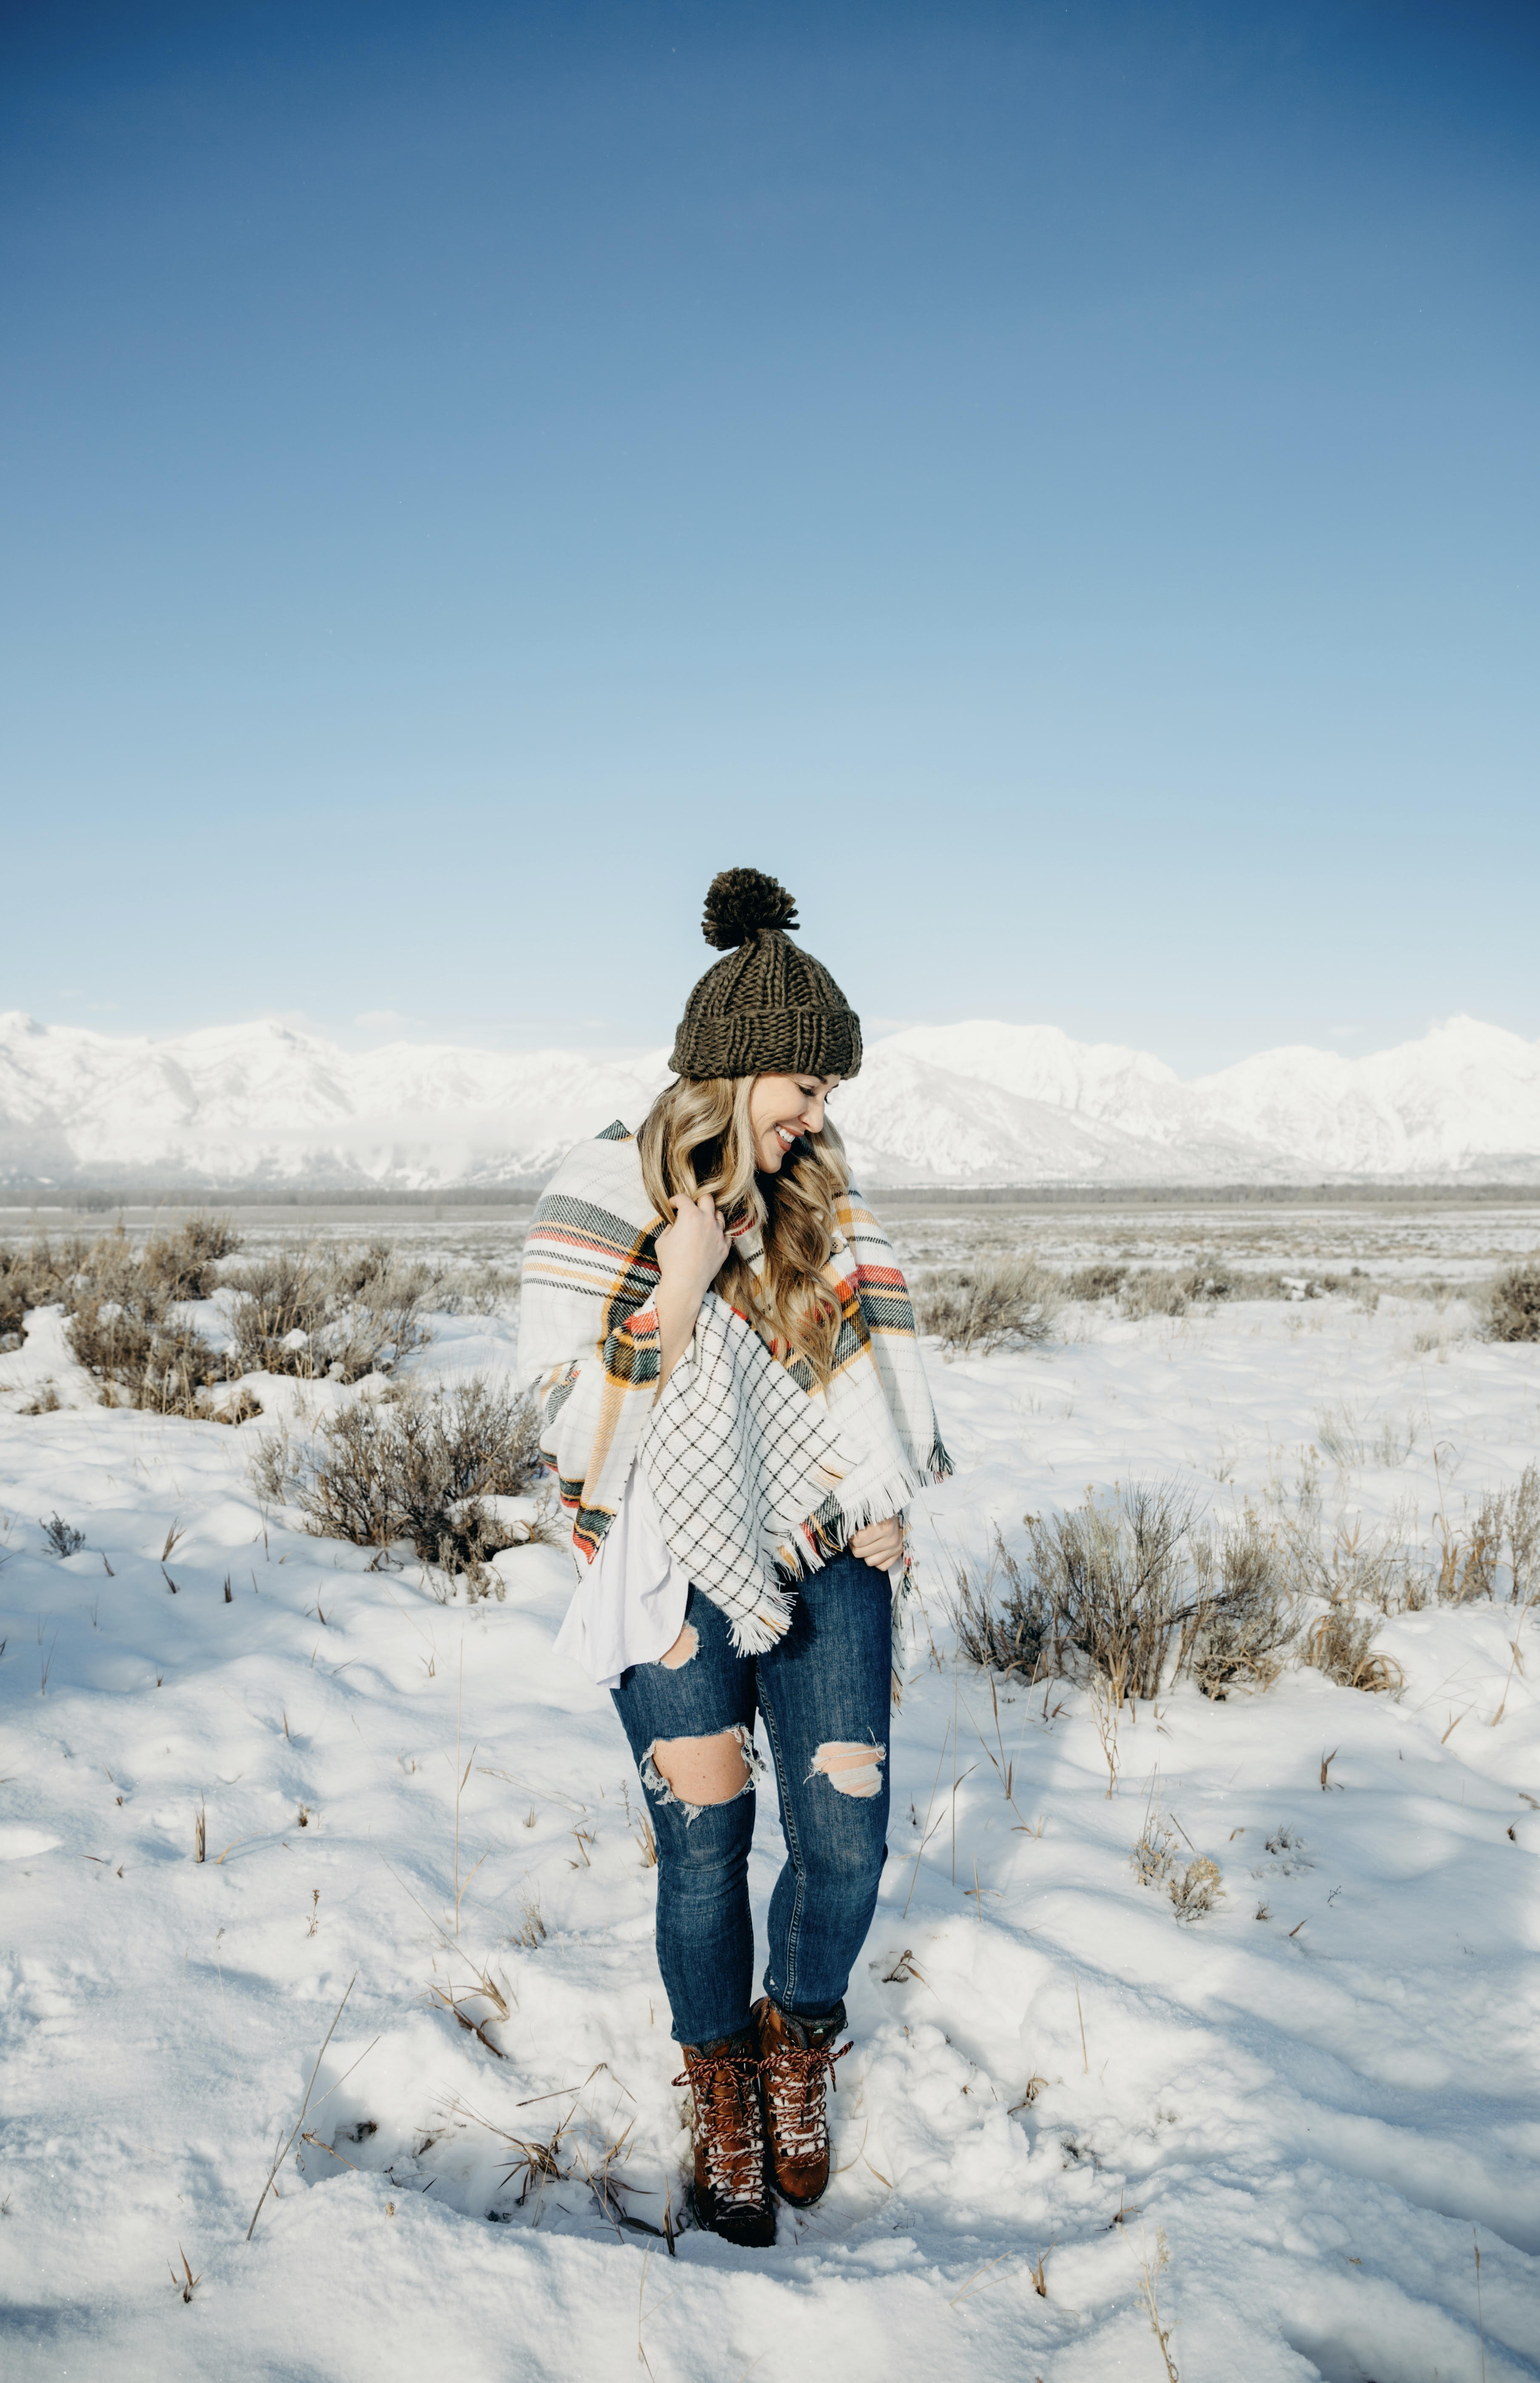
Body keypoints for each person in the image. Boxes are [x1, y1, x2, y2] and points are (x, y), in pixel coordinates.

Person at [517, 868, 950, 2246]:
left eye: (825, 1089)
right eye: (804, 1083)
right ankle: (719, 2096)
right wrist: (686, 1282)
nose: (819, 1111)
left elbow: (863, 1385)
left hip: (824, 1555)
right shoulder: (598, 1197)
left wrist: (879, 1498)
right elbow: (570, 1428)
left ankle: (795, 2039)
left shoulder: (824, 1194)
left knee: (848, 1836)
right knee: (703, 1848)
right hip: (669, 1567)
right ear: (729, 1067)